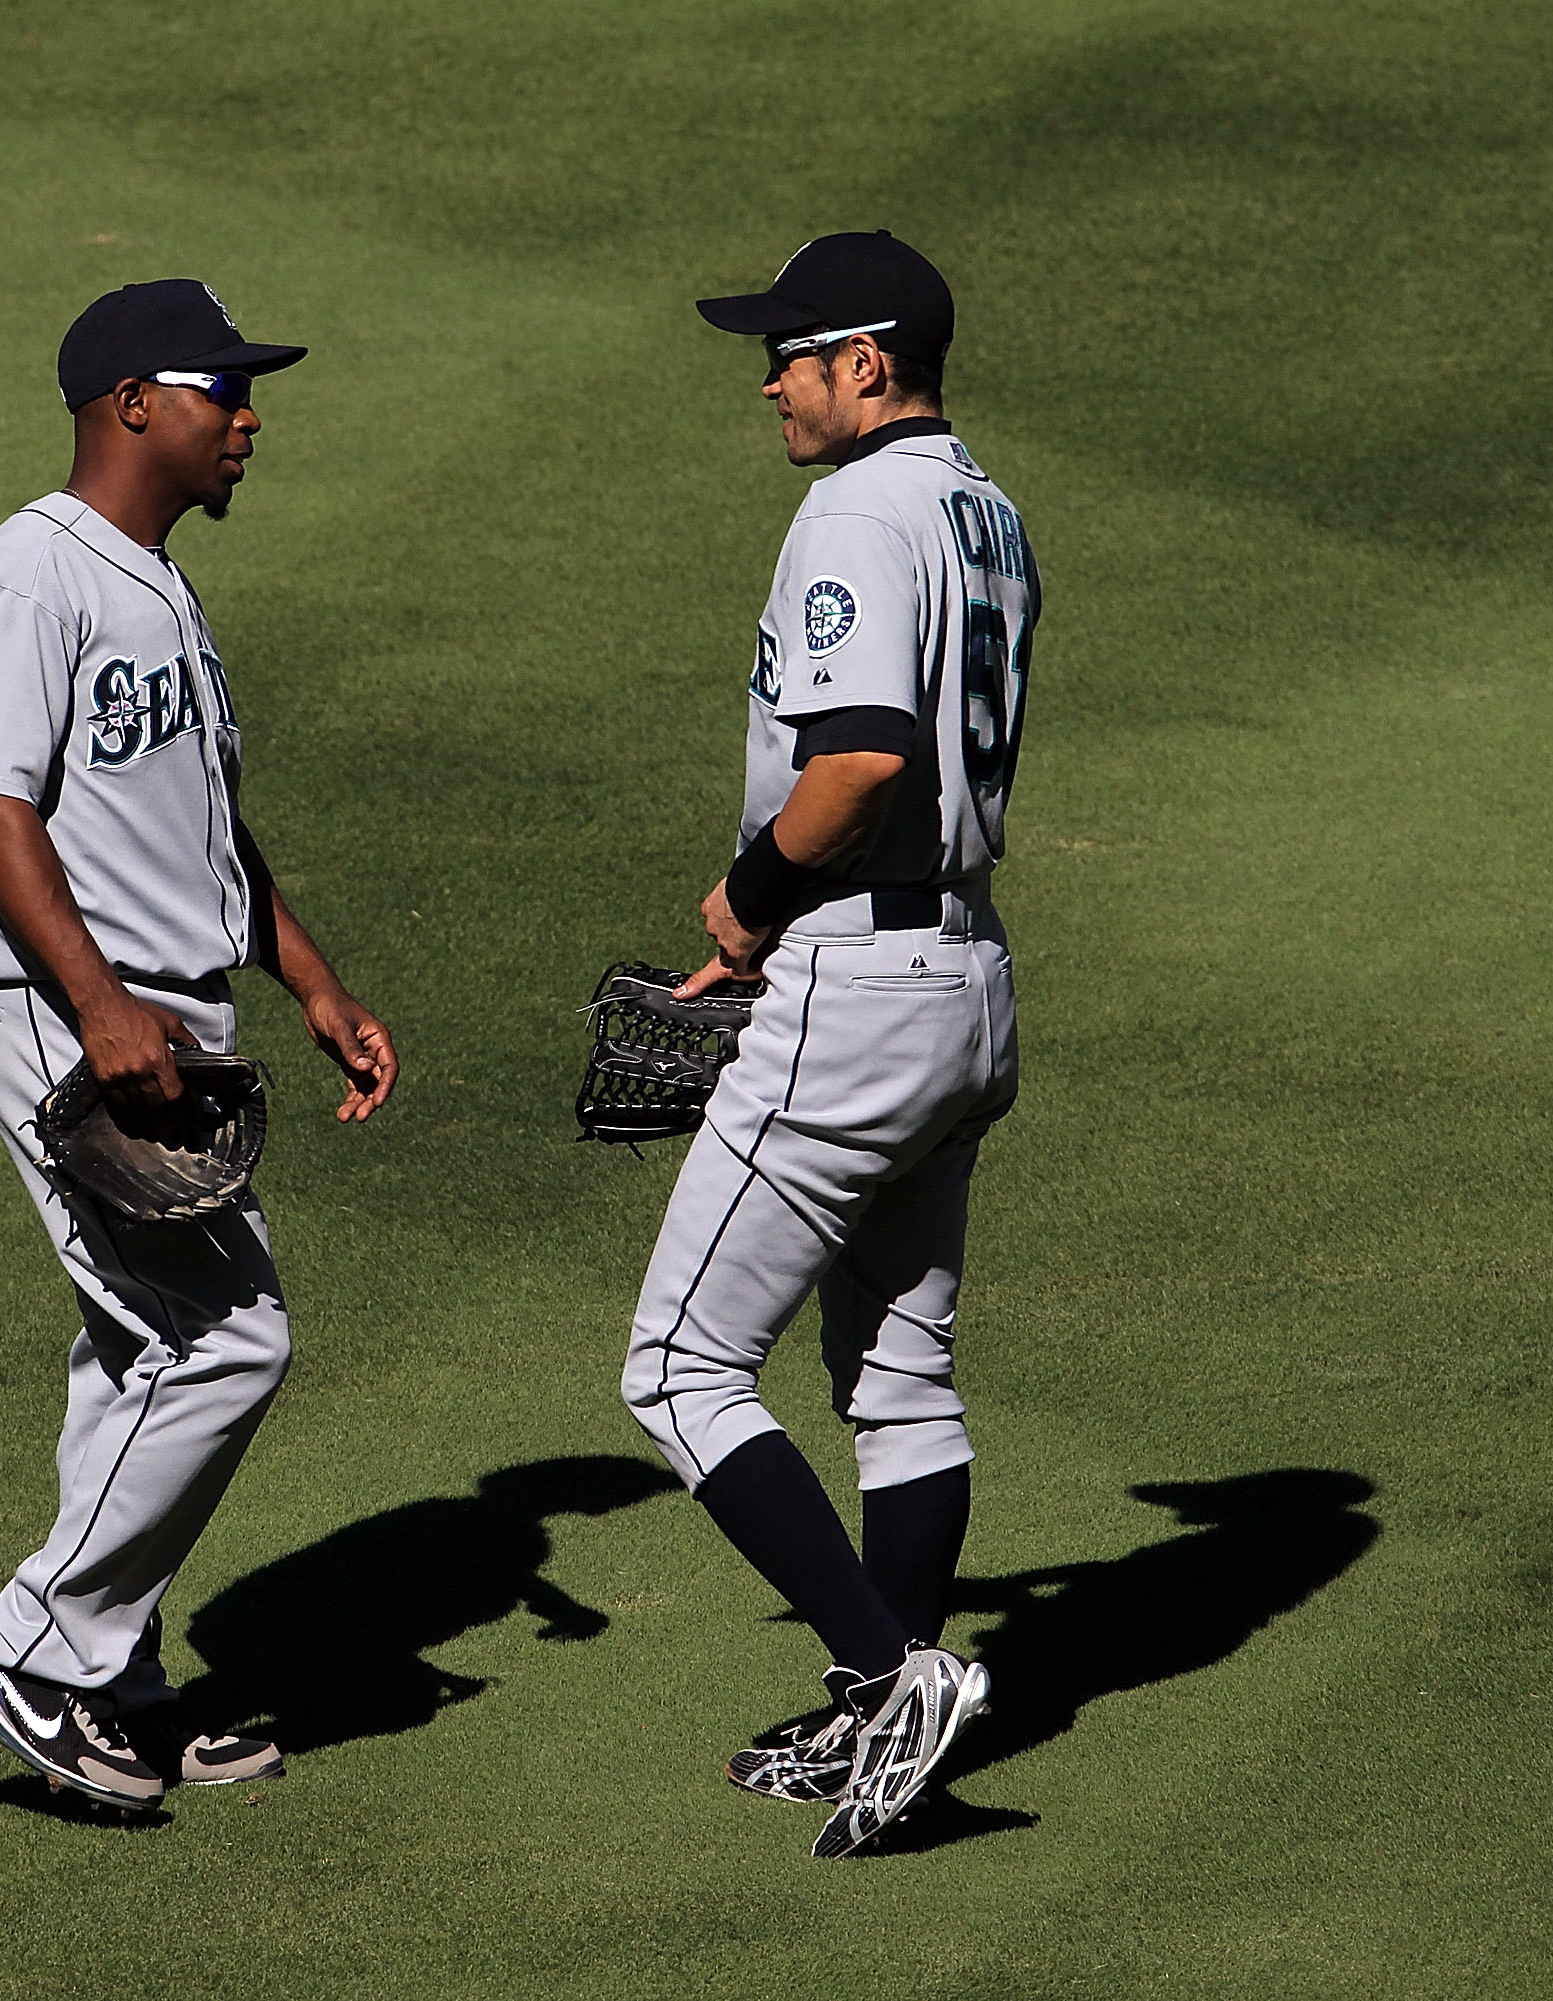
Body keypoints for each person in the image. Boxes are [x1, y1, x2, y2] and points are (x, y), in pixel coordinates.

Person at [0, 279, 398, 1812]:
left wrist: (312, 980)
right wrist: (104, 1009)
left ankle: (112, 1683)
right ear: (135, 401)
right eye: (224, 391)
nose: (250, 417)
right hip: (68, 1018)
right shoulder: (24, 578)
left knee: (140, 1338)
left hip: (163, 1017)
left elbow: (201, 828)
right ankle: (31, 1648)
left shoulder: (158, 587)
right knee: (228, 1335)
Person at [620, 231, 1040, 1859]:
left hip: (853, 986)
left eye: (795, 349)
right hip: (969, 980)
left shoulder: (856, 510)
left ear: (871, 361)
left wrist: (742, 906)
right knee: (900, 1374)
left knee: (676, 1365)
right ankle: (881, 1713)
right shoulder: (981, 505)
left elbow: (858, 760)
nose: (773, 376)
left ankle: (890, 1670)